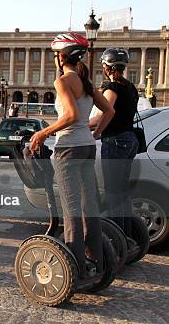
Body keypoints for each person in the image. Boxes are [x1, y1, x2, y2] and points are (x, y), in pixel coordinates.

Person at [30, 32, 115, 279]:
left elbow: (70, 116)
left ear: (61, 57)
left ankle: (76, 269)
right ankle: (96, 262)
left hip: (68, 149)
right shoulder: (87, 82)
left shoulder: (64, 81)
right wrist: (95, 134)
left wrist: (42, 133)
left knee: (72, 209)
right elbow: (109, 111)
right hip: (87, 147)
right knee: (90, 207)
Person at [89, 48, 139, 243]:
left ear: (107, 67)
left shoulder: (113, 88)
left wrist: (87, 126)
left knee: (113, 192)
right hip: (130, 140)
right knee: (122, 192)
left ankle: (116, 239)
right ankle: (126, 236)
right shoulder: (130, 87)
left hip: (116, 141)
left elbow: (105, 113)